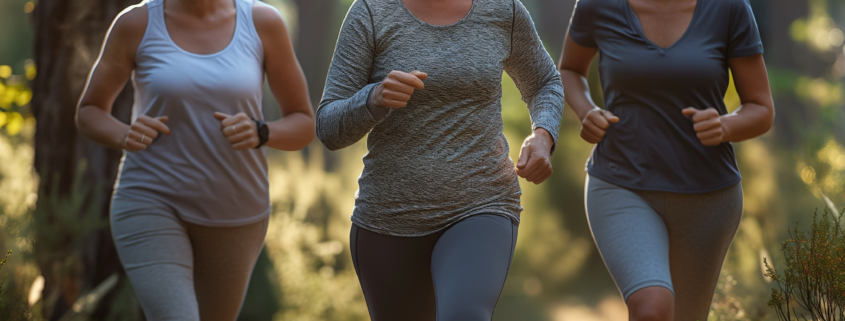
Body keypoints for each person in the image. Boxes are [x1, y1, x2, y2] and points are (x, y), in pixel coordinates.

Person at [317, 0, 564, 319]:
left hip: (482, 203)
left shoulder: (503, 10)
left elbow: (544, 82)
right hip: (388, 216)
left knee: (465, 314)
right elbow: (328, 128)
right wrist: (373, 98)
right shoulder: (371, 13)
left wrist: (543, 136)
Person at [75, 0, 314, 318]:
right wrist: (124, 134)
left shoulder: (262, 22)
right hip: (150, 199)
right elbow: (89, 111)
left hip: (236, 211)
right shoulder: (136, 23)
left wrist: (261, 132)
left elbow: (303, 123)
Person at [559, 0, 774, 319]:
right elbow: (570, 69)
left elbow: (761, 108)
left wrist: (723, 125)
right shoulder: (598, 5)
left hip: (708, 194)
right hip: (620, 182)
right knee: (652, 309)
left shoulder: (729, 8)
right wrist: (586, 110)